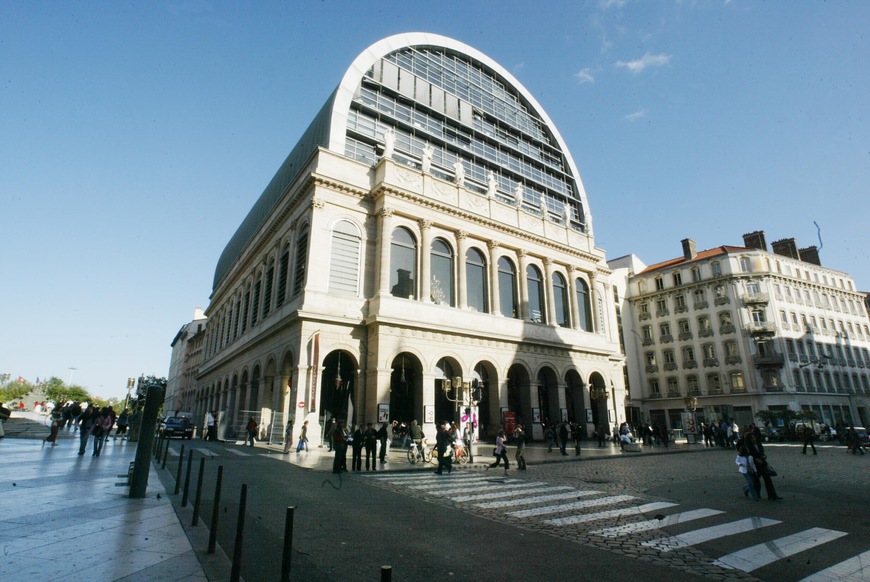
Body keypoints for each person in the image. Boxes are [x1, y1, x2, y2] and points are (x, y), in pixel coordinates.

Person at [746, 433, 782, 501]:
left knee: (768, 479)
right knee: (756, 482)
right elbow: (749, 456)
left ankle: (772, 495)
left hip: (762, 464)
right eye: (752, 438)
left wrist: (763, 457)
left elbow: (762, 452)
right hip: (755, 466)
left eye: (754, 437)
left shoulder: (759, 444)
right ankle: (755, 494)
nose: (754, 439)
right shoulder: (749, 446)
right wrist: (756, 459)